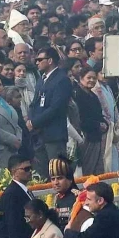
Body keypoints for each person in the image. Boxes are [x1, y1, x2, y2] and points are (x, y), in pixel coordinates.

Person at [28, 48, 73, 179]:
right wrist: (30, 120)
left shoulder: (61, 79)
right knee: (42, 173)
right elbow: (34, 103)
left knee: (58, 171)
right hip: (39, 134)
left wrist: (35, 122)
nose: (37, 63)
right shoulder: (42, 79)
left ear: (50, 60)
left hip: (54, 134)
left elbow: (56, 108)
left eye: (40, 60)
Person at [73, 65, 107, 175]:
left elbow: (99, 115)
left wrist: (104, 124)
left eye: (94, 78)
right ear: (81, 78)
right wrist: (97, 125)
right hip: (85, 136)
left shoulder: (93, 96)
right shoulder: (77, 94)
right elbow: (80, 118)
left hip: (96, 136)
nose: (91, 80)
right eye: (89, 78)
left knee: (97, 170)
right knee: (87, 169)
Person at [0, 76, 24, 170]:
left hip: (15, 147)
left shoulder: (4, 102)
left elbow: (16, 124)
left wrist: (18, 139)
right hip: (2, 148)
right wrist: (12, 139)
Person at [49, 156, 79, 229]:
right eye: (53, 179)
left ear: (70, 179)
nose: (56, 182)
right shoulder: (56, 198)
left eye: (60, 178)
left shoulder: (77, 197)